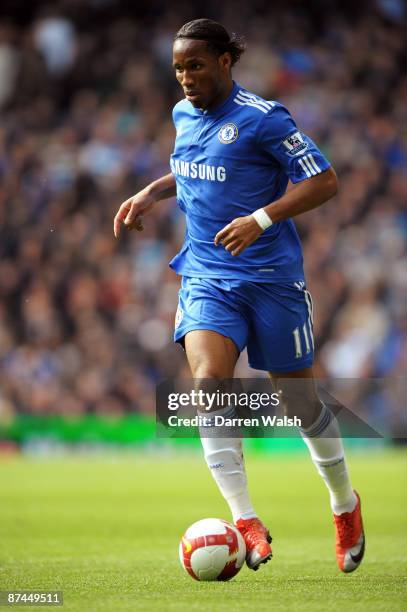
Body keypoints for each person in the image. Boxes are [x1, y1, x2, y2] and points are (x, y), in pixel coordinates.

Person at [114, 18, 365, 574]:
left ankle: (344, 504)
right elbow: (195, 169)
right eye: (178, 68)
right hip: (207, 276)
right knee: (207, 385)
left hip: (273, 280)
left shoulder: (264, 118)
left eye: (195, 65)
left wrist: (260, 218)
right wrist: (151, 191)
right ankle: (245, 518)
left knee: (301, 406)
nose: (184, 78)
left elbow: (324, 180)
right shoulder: (183, 114)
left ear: (225, 62)